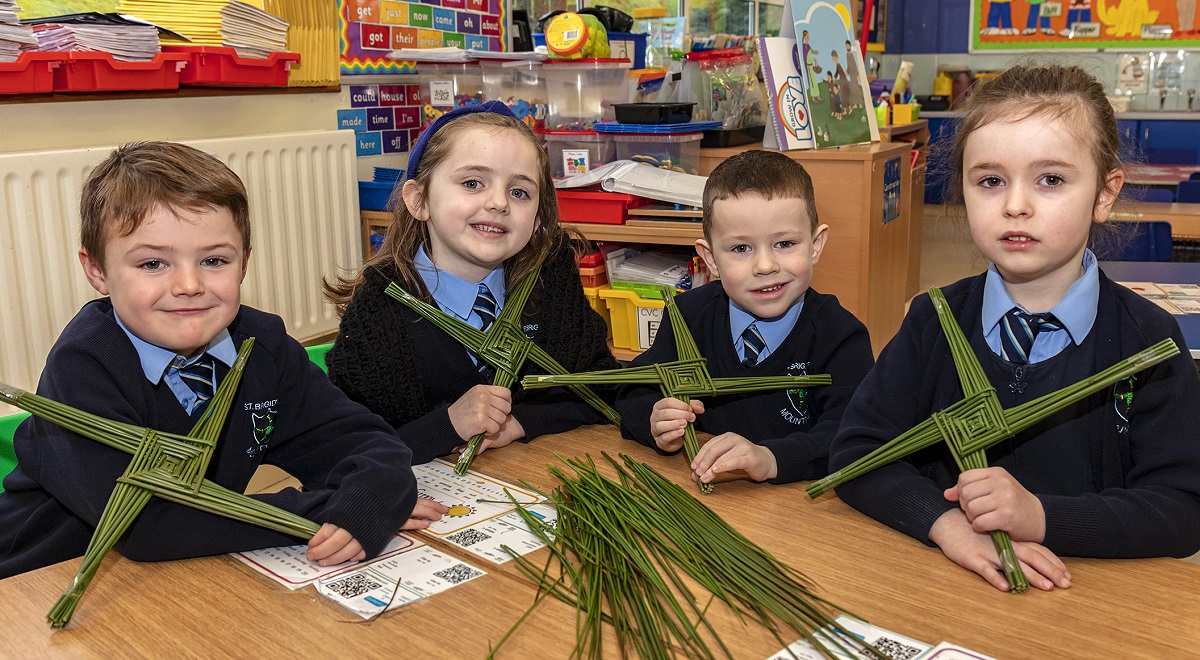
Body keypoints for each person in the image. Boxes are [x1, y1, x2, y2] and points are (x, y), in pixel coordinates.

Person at [829, 64, 1200, 592]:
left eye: (1051, 180)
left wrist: (1042, 517)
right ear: (963, 189)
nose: (1015, 205)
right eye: (990, 181)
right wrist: (946, 525)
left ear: (1104, 192)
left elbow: (1183, 507)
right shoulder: (934, 321)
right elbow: (858, 451)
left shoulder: (1150, 343)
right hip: (947, 590)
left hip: (1095, 605)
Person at [0, 142, 446, 579]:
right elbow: (145, 520)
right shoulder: (85, 366)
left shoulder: (262, 347)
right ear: (97, 270)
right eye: (153, 264)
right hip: (42, 574)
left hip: (181, 570)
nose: (189, 284)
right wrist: (321, 508)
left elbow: (368, 442)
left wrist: (371, 494)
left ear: (244, 263)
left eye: (214, 260)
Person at [325, 102, 618, 465]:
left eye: (519, 192)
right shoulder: (381, 305)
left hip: (526, 480)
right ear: (419, 201)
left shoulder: (550, 277)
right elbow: (342, 450)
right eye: (472, 183)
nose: (498, 203)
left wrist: (520, 422)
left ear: (539, 217)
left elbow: (602, 387)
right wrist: (447, 424)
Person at [616, 150, 874, 485]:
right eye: (741, 249)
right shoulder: (687, 317)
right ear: (710, 259)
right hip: (703, 497)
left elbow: (853, 436)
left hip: (796, 513)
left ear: (815, 244)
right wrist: (654, 421)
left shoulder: (841, 336)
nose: (765, 266)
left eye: (784, 243)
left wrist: (770, 458)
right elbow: (630, 390)